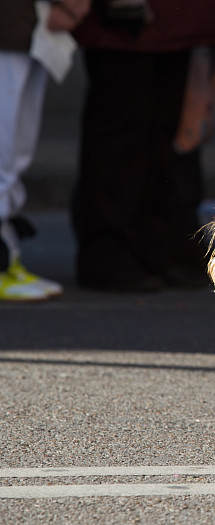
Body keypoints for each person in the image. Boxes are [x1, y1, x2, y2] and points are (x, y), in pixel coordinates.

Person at [71, 0, 215, 291]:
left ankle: (156, 241)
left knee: (165, 128)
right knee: (120, 127)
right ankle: (109, 247)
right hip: (125, 17)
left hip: (180, 19)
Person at [0, 0, 89, 300]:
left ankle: (6, 258)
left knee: (16, 148)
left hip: (24, 24)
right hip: (13, 21)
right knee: (6, 147)